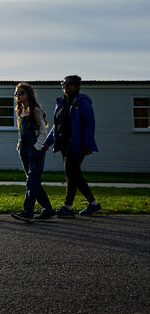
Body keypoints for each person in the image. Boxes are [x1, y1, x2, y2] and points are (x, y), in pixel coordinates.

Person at [44, 75, 101, 217]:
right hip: (63, 143)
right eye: (63, 83)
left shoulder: (83, 102)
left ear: (77, 86)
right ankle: (94, 205)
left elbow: (89, 123)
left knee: (71, 173)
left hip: (77, 144)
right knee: (74, 174)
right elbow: (57, 126)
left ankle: (68, 207)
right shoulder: (62, 102)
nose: (65, 86)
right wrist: (48, 141)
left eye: (69, 83)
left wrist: (87, 144)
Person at [10, 83, 55, 222]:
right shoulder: (19, 111)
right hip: (23, 149)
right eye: (16, 93)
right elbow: (21, 132)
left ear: (28, 94)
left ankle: (27, 211)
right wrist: (19, 145)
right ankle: (48, 209)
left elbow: (43, 131)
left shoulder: (35, 110)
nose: (18, 96)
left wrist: (37, 146)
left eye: (21, 93)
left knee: (32, 181)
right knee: (33, 181)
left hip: (35, 150)